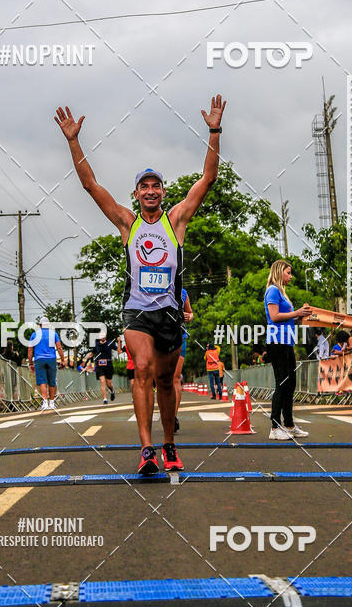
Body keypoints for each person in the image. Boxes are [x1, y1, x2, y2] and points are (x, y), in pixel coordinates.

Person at [55, 94, 226, 475]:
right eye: (144, 186)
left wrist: (214, 131)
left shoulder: (175, 220)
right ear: (136, 194)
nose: (150, 190)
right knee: (143, 369)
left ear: (163, 192)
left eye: (155, 186)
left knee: (165, 380)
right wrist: (73, 141)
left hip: (169, 314)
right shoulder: (126, 223)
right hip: (137, 311)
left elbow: (208, 179)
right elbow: (90, 185)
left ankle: (168, 445)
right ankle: (146, 449)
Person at [264, 260, 312, 440]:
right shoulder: (273, 290)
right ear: (279, 272)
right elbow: (274, 316)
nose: (291, 276)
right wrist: (297, 313)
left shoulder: (282, 293)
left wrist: (300, 316)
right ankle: (275, 427)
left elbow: (287, 318)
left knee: (291, 384)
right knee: (282, 383)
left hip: (287, 342)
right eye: (288, 272)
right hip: (276, 342)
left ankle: (289, 425)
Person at [27, 317, 65, 410]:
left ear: (40, 325)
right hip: (51, 359)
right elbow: (59, 347)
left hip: (39, 359)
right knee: (52, 381)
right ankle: (52, 403)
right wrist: (63, 360)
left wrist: (30, 363)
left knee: (42, 381)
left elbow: (30, 349)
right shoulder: (53, 334)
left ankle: (45, 403)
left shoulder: (34, 335)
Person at [173, 288, 193, 432]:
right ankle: (167, 413)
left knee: (175, 378)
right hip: (160, 337)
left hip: (180, 336)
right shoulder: (155, 288)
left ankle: (173, 417)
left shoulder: (183, 292)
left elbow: (190, 313)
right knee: (163, 379)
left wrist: (189, 316)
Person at [85, 333, 121, 404]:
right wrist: (88, 357)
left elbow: (119, 351)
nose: (103, 337)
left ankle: (112, 391)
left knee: (109, 383)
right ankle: (104, 399)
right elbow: (92, 353)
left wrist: (119, 341)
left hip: (108, 365)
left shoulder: (110, 343)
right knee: (102, 381)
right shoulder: (96, 344)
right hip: (99, 365)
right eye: (101, 336)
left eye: (104, 336)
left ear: (105, 337)